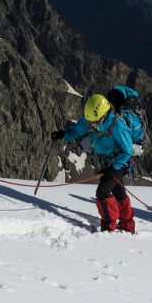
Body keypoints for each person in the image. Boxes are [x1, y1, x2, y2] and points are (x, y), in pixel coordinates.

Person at [53, 94, 135, 233]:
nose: (92, 125)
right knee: (117, 190)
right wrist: (62, 134)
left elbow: (128, 150)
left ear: (104, 115)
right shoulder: (93, 118)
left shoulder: (117, 125)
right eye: (91, 122)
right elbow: (76, 130)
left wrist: (113, 169)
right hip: (108, 162)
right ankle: (128, 226)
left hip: (120, 162)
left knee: (103, 191)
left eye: (95, 122)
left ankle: (109, 227)